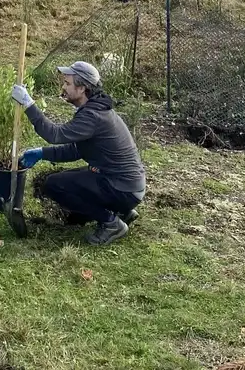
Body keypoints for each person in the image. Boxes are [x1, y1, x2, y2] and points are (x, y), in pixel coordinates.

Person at [11, 61, 146, 246]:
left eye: (67, 83)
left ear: (82, 88)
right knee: (68, 178)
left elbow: (54, 134)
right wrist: (42, 153)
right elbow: (77, 149)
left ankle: (111, 222)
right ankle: (121, 211)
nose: (63, 87)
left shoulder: (93, 116)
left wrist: (28, 104)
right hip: (127, 186)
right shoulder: (96, 110)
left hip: (122, 189)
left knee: (55, 185)